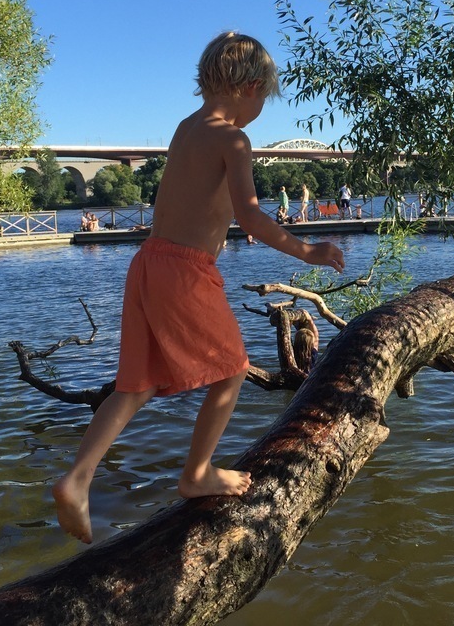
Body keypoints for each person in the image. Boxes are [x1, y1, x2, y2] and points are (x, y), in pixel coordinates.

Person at [53, 32, 345, 544]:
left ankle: (77, 479)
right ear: (250, 88)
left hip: (148, 263)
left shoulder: (185, 128)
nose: (259, 111)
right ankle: (197, 472)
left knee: (135, 385)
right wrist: (308, 251)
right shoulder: (233, 140)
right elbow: (250, 217)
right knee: (231, 369)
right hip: (185, 270)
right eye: (263, 99)